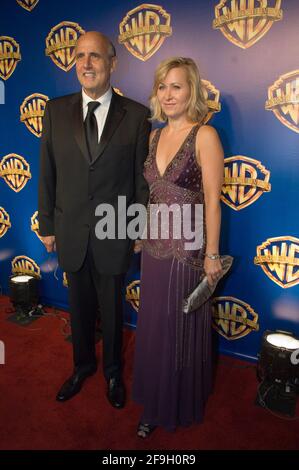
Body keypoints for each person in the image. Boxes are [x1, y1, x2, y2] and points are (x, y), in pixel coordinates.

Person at [38, 31, 150, 408]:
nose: (86, 64)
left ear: (112, 63)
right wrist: (48, 227)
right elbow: (47, 173)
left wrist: (136, 227)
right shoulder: (54, 111)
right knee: (79, 308)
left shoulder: (136, 116)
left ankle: (113, 372)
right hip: (70, 231)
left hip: (115, 231)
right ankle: (82, 366)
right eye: (80, 56)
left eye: (96, 57)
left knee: (114, 310)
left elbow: (140, 179)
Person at [132, 57, 224, 436]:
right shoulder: (153, 136)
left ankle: (173, 401)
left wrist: (212, 255)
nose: (168, 94)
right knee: (153, 326)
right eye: (163, 86)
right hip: (153, 249)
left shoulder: (205, 136)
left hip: (187, 251)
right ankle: (154, 399)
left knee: (177, 328)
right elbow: (153, 196)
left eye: (177, 86)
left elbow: (213, 201)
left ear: (192, 91)